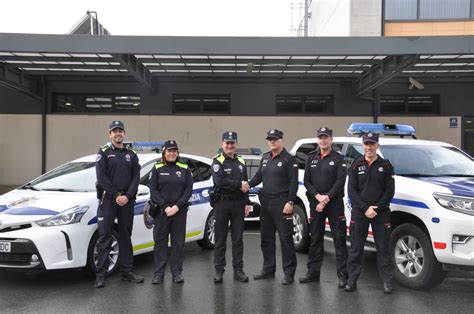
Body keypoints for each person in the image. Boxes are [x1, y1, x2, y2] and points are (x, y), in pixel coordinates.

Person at [95, 120, 143, 288]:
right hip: (109, 199)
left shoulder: (132, 154)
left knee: (125, 235)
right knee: (105, 236)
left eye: (120, 131)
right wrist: (116, 194)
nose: (118, 134)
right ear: (110, 134)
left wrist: (128, 196)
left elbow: (136, 178)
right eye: (114, 131)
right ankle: (100, 275)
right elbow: (102, 178)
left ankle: (127, 272)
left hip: (127, 201)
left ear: (124, 133)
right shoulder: (104, 152)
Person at [345, 132, 395, 294]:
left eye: (372, 144)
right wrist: (365, 208)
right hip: (360, 212)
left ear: (377, 146)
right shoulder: (355, 165)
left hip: (381, 212)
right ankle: (352, 280)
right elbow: (351, 190)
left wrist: (377, 208)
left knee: (383, 248)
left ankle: (387, 282)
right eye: (366, 144)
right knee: (356, 248)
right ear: (362, 146)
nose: (369, 147)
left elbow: (389, 190)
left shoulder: (386, 166)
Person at [299, 127, 349, 287]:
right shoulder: (311, 158)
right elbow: (307, 181)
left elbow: (340, 181)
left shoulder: (339, 158)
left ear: (331, 139)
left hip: (334, 203)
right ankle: (313, 273)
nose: (323, 140)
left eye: (326, 137)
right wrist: (318, 197)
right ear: (317, 140)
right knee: (315, 239)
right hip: (316, 203)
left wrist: (326, 198)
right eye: (321, 137)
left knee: (339, 239)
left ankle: (343, 275)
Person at [248, 129, 298, 285]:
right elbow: (257, 177)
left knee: (285, 239)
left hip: (282, 203)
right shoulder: (265, 158)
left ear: (281, 140)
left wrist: (290, 202)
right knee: (266, 238)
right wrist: (246, 185)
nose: (272, 142)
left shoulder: (289, 159)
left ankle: (289, 273)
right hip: (266, 203)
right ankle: (268, 269)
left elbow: (294, 183)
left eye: (275, 139)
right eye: (269, 139)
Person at [148, 140, 193, 284]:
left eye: (174, 151)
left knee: (178, 244)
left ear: (177, 153)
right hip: (162, 212)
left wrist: (178, 206)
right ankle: (158, 273)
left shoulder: (184, 168)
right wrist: (164, 206)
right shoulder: (157, 168)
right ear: (164, 152)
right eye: (169, 151)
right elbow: (153, 190)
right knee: (160, 243)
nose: (172, 153)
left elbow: (188, 190)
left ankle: (177, 273)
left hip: (179, 211)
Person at [212, 131, 252, 284]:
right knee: (220, 239)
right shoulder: (217, 161)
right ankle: (219, 271)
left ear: (236, 144)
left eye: (232, 143)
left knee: (238, 239)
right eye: (227, 143)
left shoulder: (241, 161)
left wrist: (247, 202)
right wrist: (238, 185)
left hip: (238, 204)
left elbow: (246, 183)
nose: (230, 145)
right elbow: (220, 181)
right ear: (222, 144)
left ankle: (238, 270)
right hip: (222, 203)